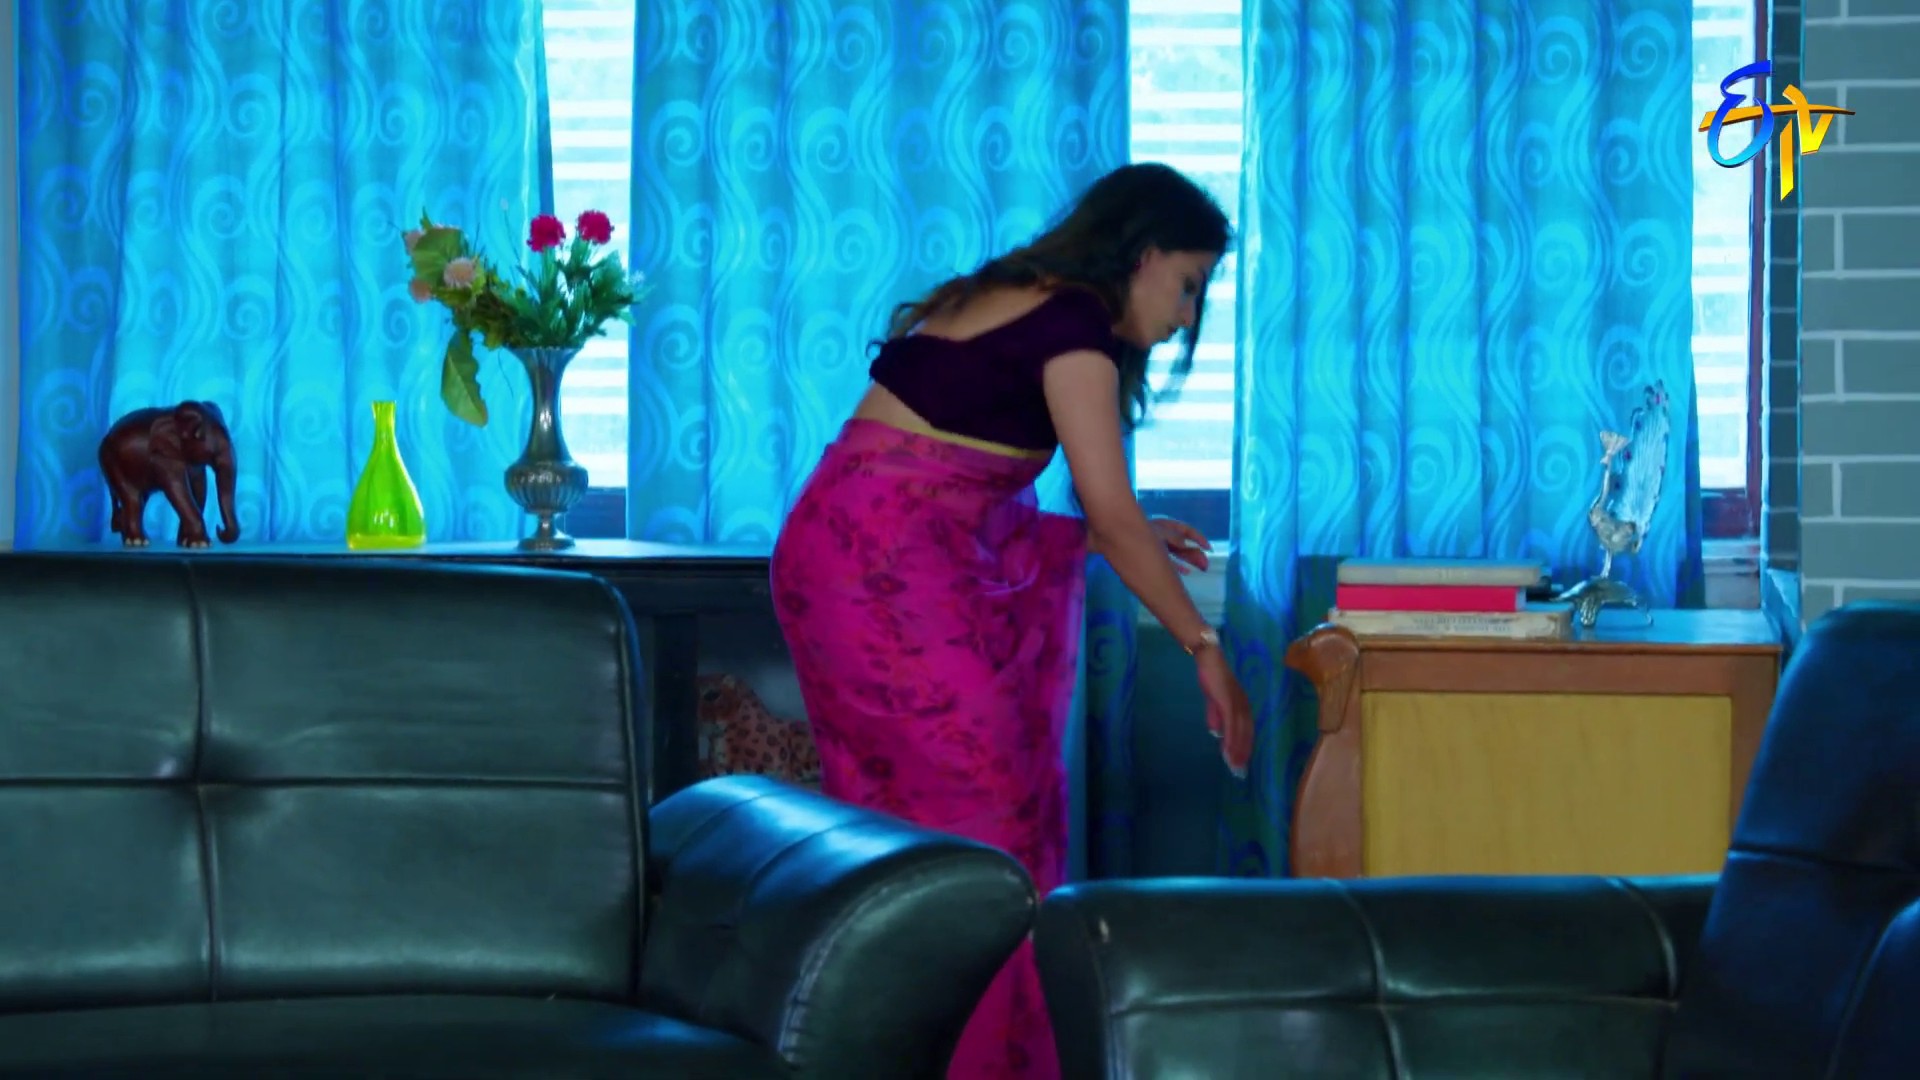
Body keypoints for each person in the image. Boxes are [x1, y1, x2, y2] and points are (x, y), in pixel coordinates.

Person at [768, 162, 1255, 1080]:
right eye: (1189, 285)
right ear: (1143, 255)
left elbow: (954, 474)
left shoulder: (1032, 299)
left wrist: (1112, 535)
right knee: (984, 819)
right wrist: (1204, 647)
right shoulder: (1074, 322)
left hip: (850, 561)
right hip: (878, 576)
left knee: (927, 831)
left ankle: (924, 1055)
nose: (1188, 316)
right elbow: (1098, 507)